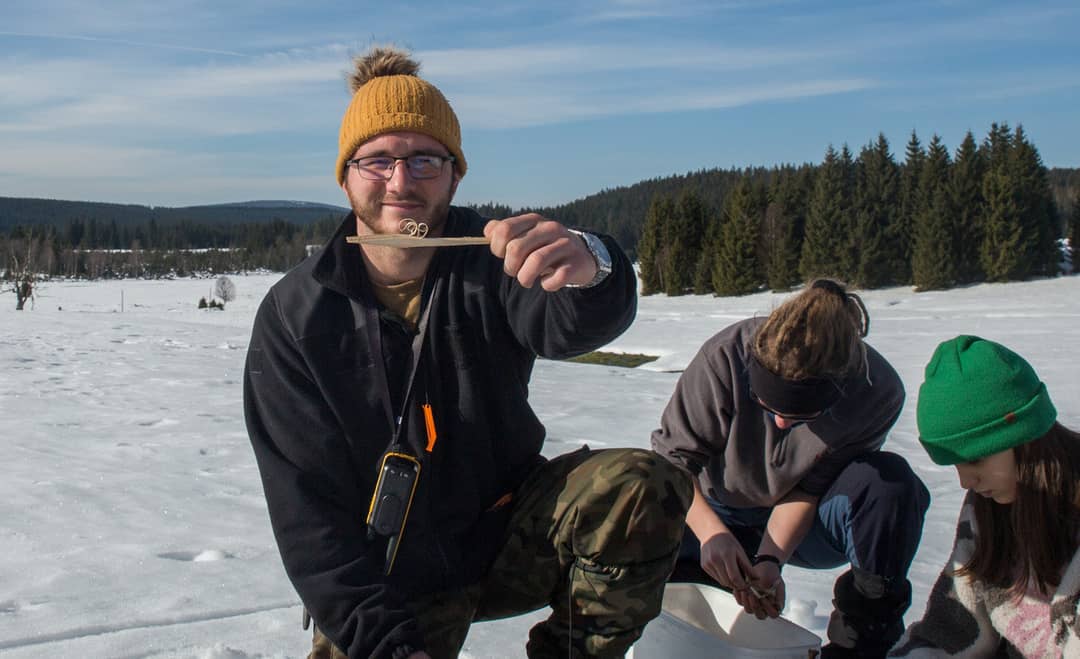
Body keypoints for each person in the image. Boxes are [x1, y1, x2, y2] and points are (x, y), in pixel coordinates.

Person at [243, 46, 692, 659]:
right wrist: (384, 644)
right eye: (378, 160)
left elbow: (568, 326)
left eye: (424, 160)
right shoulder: (296, 315)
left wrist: (595, 266)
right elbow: (308, 517)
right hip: (385, 573)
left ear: (455, 175)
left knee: (639, 487)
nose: (401, 181)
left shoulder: (496, 262)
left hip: (503, 535)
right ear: (345, 175)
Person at [651, 278, 930, 658]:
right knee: (639, 492)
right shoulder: (726, 355)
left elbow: (809, 489)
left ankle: (860, 644)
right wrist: (711, 534)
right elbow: (672, 464)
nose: (781, 423)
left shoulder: (876, 391)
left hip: (805, 523)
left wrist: (770, 559)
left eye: (802, 417)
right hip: (708, 509)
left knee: (888, 485)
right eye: (767, 406)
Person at [889, 335, 1080, 658]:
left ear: (1026, 439)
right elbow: (948, 630)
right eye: (956, 465)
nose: (966, 481)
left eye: (976, 459)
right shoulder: (989, 510)